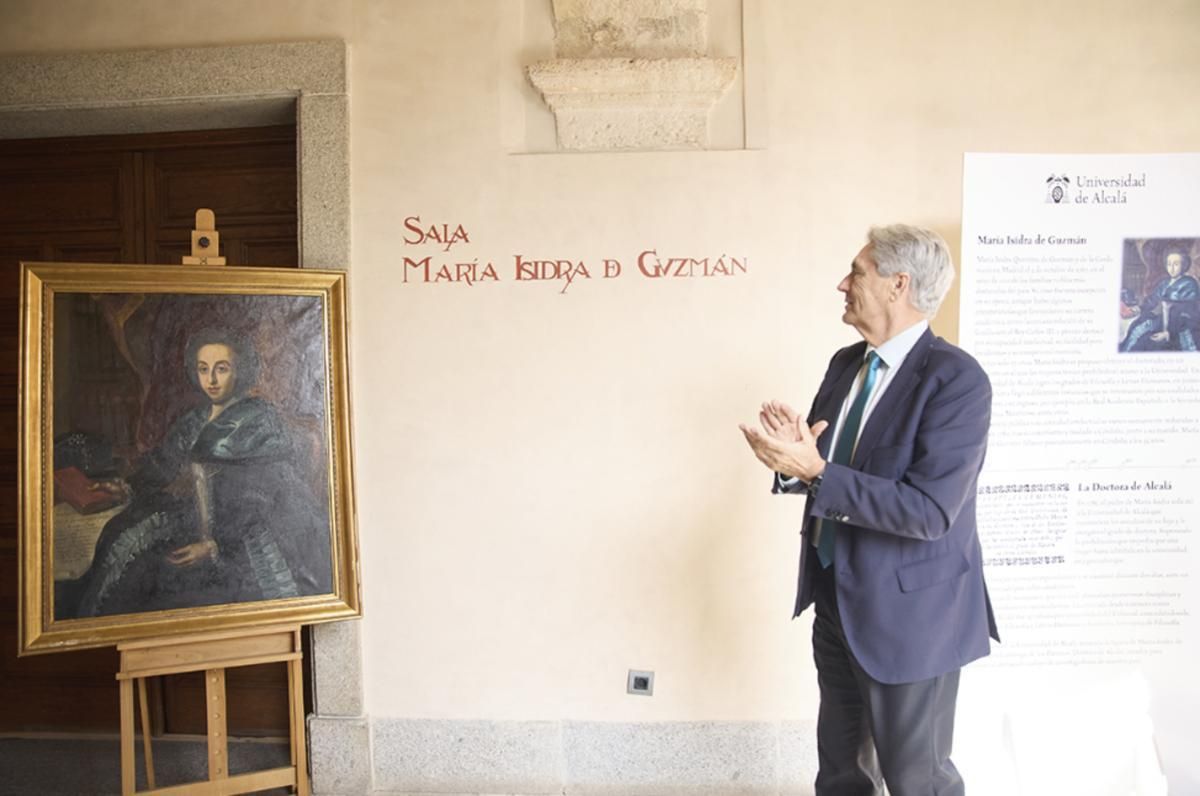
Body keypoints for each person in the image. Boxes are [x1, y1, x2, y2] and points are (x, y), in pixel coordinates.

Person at [739, 225, 998, 796]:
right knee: (840, 775)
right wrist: (791, 461)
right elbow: (824, 467)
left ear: (896, 285)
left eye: (856, 272)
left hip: (913, 618)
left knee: (917, 781)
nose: (842, 284)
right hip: (836, 601)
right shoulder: (844, 364)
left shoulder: (956, 381)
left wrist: (816, 471)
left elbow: (930, 511)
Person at [69, 329, 332, 619]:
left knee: (175, 578)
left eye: (222, 369)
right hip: (196, 516)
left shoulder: (260, 421)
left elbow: (261, 497)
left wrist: (215, 542)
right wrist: (128, 487)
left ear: (241, 370)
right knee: (121, 537)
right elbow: (162, 464)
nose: (212, 380)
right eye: (203, 369)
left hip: (245, 530)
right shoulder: (195, 419)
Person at [1120, 249, 1199, 352]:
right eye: (1169, 264)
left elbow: (1188, 312)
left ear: (1183, 266)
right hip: (1162, 320)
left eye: (1176, 264)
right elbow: (1152, 300)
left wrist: (1168, 333)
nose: (1172, 268)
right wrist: (1137, 309)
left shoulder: (1189, 284)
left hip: (1181, 325)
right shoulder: (1164, 283)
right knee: (1137, 328)